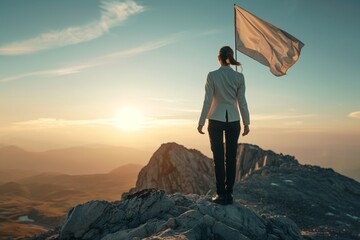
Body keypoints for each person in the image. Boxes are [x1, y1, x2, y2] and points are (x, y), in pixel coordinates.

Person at [197, 46, 250, 205]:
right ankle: (229, 194)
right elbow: (242, 102)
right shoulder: (239, 77)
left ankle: (221, 194)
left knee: (218, 158)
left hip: (216, 120)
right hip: (234, 120)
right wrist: (246, 122)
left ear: (218, 58)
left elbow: (207, 100)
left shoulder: (212, 75)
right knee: (231, 158)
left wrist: (201, 122)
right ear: (231, 58)